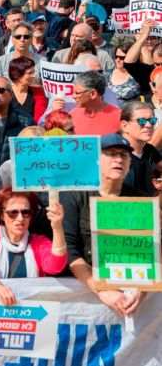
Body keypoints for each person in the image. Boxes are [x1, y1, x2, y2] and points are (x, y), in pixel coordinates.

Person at [61, 133, 147, 316]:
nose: (118, 159)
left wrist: (143, 290)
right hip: (87, 299)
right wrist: (101, 289)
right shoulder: (74, 196)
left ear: (130, 163)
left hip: (132, 300)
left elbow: (151, 252)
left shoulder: (140, 201)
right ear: (96, 161)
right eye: (111, 154)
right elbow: (70, 250)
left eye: (124, 155)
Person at [0, 188, 67, 304]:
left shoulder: (39, 242)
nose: (20, 218)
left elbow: (55, 267)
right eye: (13, 213)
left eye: (26, 212)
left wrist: (57, 228)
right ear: (1, 215)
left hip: (32, 310)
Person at [119, 101, 162, 194]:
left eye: (152, 121)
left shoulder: (151, 151)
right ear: (125, 126)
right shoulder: (116, 154)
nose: (148, 125)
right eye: (141, 121)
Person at [70, 71, 121, 135]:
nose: (73, 96)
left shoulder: (119, 117)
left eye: (77, 93)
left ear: (93, 94)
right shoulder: (72, 114)